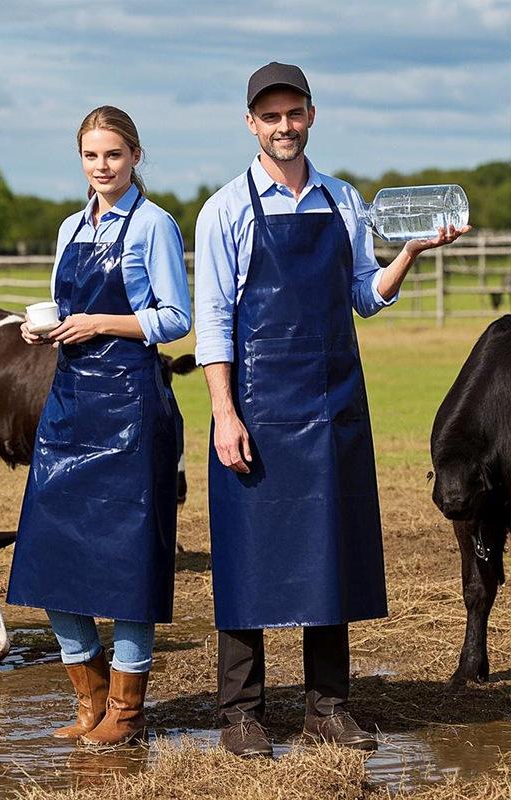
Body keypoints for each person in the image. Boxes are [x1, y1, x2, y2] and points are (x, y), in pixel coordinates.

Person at [193, 62, 470, 759]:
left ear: (311, 115)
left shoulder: (345, 199)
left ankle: (327, 708)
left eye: (294, 113)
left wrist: (406, 252)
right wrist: (225, 414)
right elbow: (215, 321)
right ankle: (242, 714)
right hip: (254, 409)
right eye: (270, 116)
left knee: (328, 555)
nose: (283, 127)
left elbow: (363, 294)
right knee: (247, 557)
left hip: (332, 405)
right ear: (251, 125)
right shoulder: (225, 208)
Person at [7, 106, 192, 747]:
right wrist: (44, 326)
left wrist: (100, 324)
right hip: (69, 406)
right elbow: (64, 305)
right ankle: (87, 701)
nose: (102, 166)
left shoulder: (154, 225)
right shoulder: (69, 227)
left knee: (129, 563)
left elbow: (175, 319)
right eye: (91, 155)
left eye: (113, 154)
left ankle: (128, 711)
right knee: (51, 555)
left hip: (132, 410)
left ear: (135, 156)